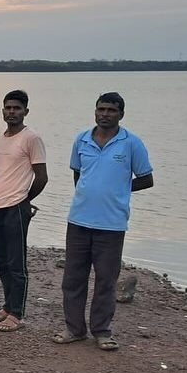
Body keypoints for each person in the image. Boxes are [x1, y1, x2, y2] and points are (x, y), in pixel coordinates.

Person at [55, 92, 153, 351]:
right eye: (101, 109)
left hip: (111, 224)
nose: (105, 114)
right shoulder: (82, 140)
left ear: (121, 113)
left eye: (111, 110)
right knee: (73, 279)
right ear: (95, 111)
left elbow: (146, 178)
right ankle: (74, 329)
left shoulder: (131, 143)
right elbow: (78, 174)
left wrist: (118, 189)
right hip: (78, 220)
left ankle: (102, 331)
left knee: (106, 280)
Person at [0, 90, 48, 332]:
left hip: (16, 208)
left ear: (25, 111)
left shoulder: (32, 139)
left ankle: (16, 314)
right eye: (8, 108)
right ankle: (7, 307)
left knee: (16, 262)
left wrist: (25, 200)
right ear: (2, 111)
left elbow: (42, 177)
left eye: (17, 108)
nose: (12, 112)